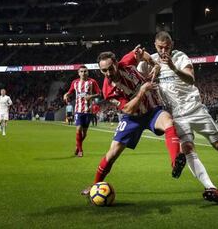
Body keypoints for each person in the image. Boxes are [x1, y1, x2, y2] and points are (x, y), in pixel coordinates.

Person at [81, 46, 185, 195]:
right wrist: (142, 90)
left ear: (116, 63)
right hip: (132, 118)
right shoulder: (108, 90)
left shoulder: (126, 61)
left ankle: (176, 162)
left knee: (168, 121)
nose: (108, 73)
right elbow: (128, 109)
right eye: (104, 71)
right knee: (112, 154)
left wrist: (154, 64)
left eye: (110, 68)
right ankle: (95, 185)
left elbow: (141, 53)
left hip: (152, 111)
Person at [148, 31, 218, 202]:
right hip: (176, 115)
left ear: (172, 44)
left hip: (194, 109)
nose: (164, 50)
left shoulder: (180, 57)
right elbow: (133, 71)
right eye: (160, 47)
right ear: (155, 45)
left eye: (167, 46)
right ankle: (211, 187)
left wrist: (173, 67)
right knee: (187, 148)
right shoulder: (150, 60)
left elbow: (191, 79)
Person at [63, 65, 101, 157]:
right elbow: (70, 91)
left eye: (85, 71)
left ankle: (77, 146)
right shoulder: (75, 82)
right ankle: (80, 150)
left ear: (88, 72)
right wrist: (66, 95)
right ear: (78, 73)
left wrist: (91, 96)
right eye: (81, 71)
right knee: (78, 129)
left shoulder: (92, 82)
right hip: (78, 110)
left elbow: (99, 93)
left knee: (84, 133)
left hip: (88, 111)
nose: (83, 73)